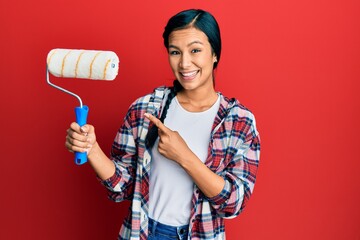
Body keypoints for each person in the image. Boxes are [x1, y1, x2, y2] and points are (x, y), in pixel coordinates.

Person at [65, 9, 260, 240]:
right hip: (141, 233)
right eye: (175, 52)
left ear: (215, 53)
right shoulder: (146, 109)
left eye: (195, 50)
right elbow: (123, 186)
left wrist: (184, 156)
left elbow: (233, 203)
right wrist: (91, 149)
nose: (185, 63)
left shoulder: (238, 121)